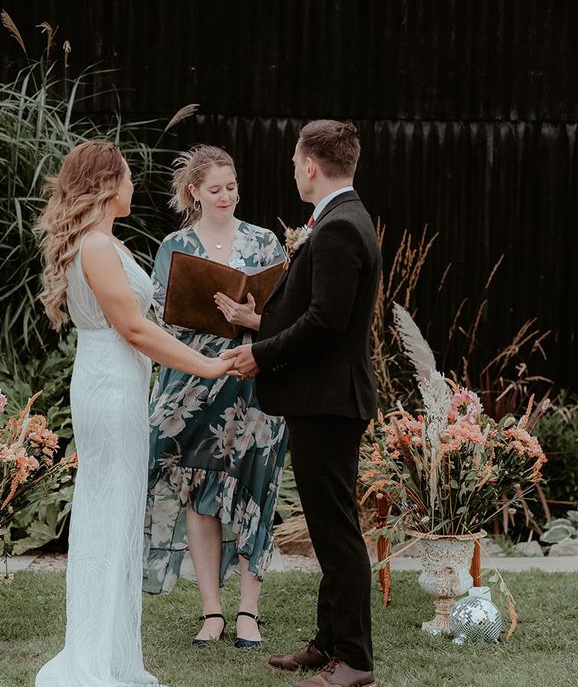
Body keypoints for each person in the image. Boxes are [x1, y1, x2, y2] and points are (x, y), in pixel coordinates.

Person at [35, 140, 235, 687]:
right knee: (109, 513)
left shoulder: (103, 243)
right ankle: (92, 662)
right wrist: (209, 367)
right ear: (106, 185)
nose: (132, 185)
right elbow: (134, 329)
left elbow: (147, 322)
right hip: (110, 387)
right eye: (125, 177)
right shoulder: (98, 247)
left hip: (114, 380)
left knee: (117, 513)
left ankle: (112, 657)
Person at [222, 120, 381, 687]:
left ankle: (355, 660)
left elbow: (325, 322)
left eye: (295, 161)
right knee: (326, 525)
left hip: (330, 402)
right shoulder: (340, 218)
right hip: (325, 399)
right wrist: (259, 325)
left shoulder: (339, 227)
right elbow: (313, 311)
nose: (293, 170)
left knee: (337, 532)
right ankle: (328, 642)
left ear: (311, 165)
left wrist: (261, 354)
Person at [143, 145, 289, 649]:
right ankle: (212, 611)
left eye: (232, 187)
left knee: (256, 488)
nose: (226, 196)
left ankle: (249, 609)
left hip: (255, 384)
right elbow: (159, 315)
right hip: (195, 386)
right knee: (199, 492)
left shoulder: (265, 241)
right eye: (215, 189)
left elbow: (291, 316)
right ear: (194, 192)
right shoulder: (175, 245)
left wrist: (253, 320)